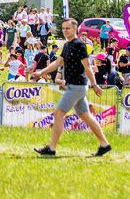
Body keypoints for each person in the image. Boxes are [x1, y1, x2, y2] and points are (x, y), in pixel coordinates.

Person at [32, 18, 111, 157]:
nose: (65, 31)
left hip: (77, 86)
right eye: (63, 28)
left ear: (75, 29)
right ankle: (104, 144)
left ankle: (51, 148)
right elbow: (57, 63)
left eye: (67, 28)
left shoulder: (79, 45)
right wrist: (41, 72)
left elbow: (87, 67)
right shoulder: (67, 45)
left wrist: (94, 85)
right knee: (85, 115)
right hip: (75, 86)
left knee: (58, 113)